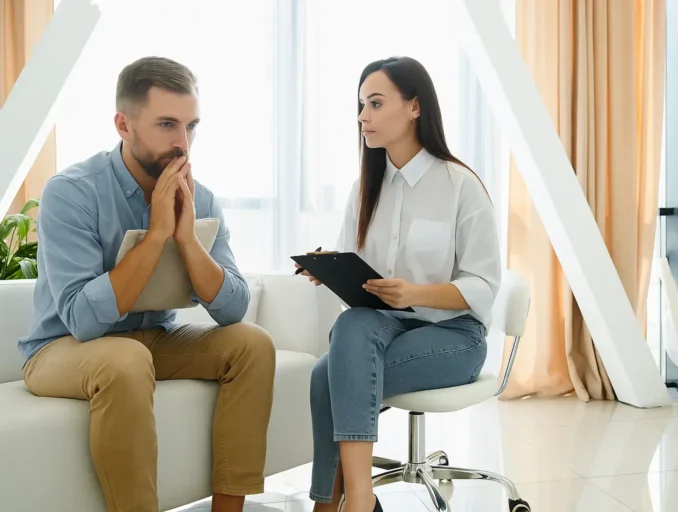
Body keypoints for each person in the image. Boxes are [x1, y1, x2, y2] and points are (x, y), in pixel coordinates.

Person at [17, 56, 276, 512]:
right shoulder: (72, 192)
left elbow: (232, 309)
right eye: (167, 125)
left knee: (251, 344)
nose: (183, 144)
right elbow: (81, 319)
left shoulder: (202, 197)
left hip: (152, 338)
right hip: (61, 348)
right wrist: (156, 236)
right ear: (123, 124)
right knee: (125, 358)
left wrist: (187, 238)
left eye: (191, 126)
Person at [299, 56, 501, 512]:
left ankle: (339, 505)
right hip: (381, 329)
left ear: (414, 107)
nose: (362, 117)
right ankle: (356, 501)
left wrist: (413, 294)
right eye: (360, 106)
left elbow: (484, 286)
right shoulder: (365, 187)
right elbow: (353, 265)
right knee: (351, 326)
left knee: (326, 376)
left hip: (456, 337)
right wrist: (326, 268)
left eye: (374, 103)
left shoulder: (460, 185)